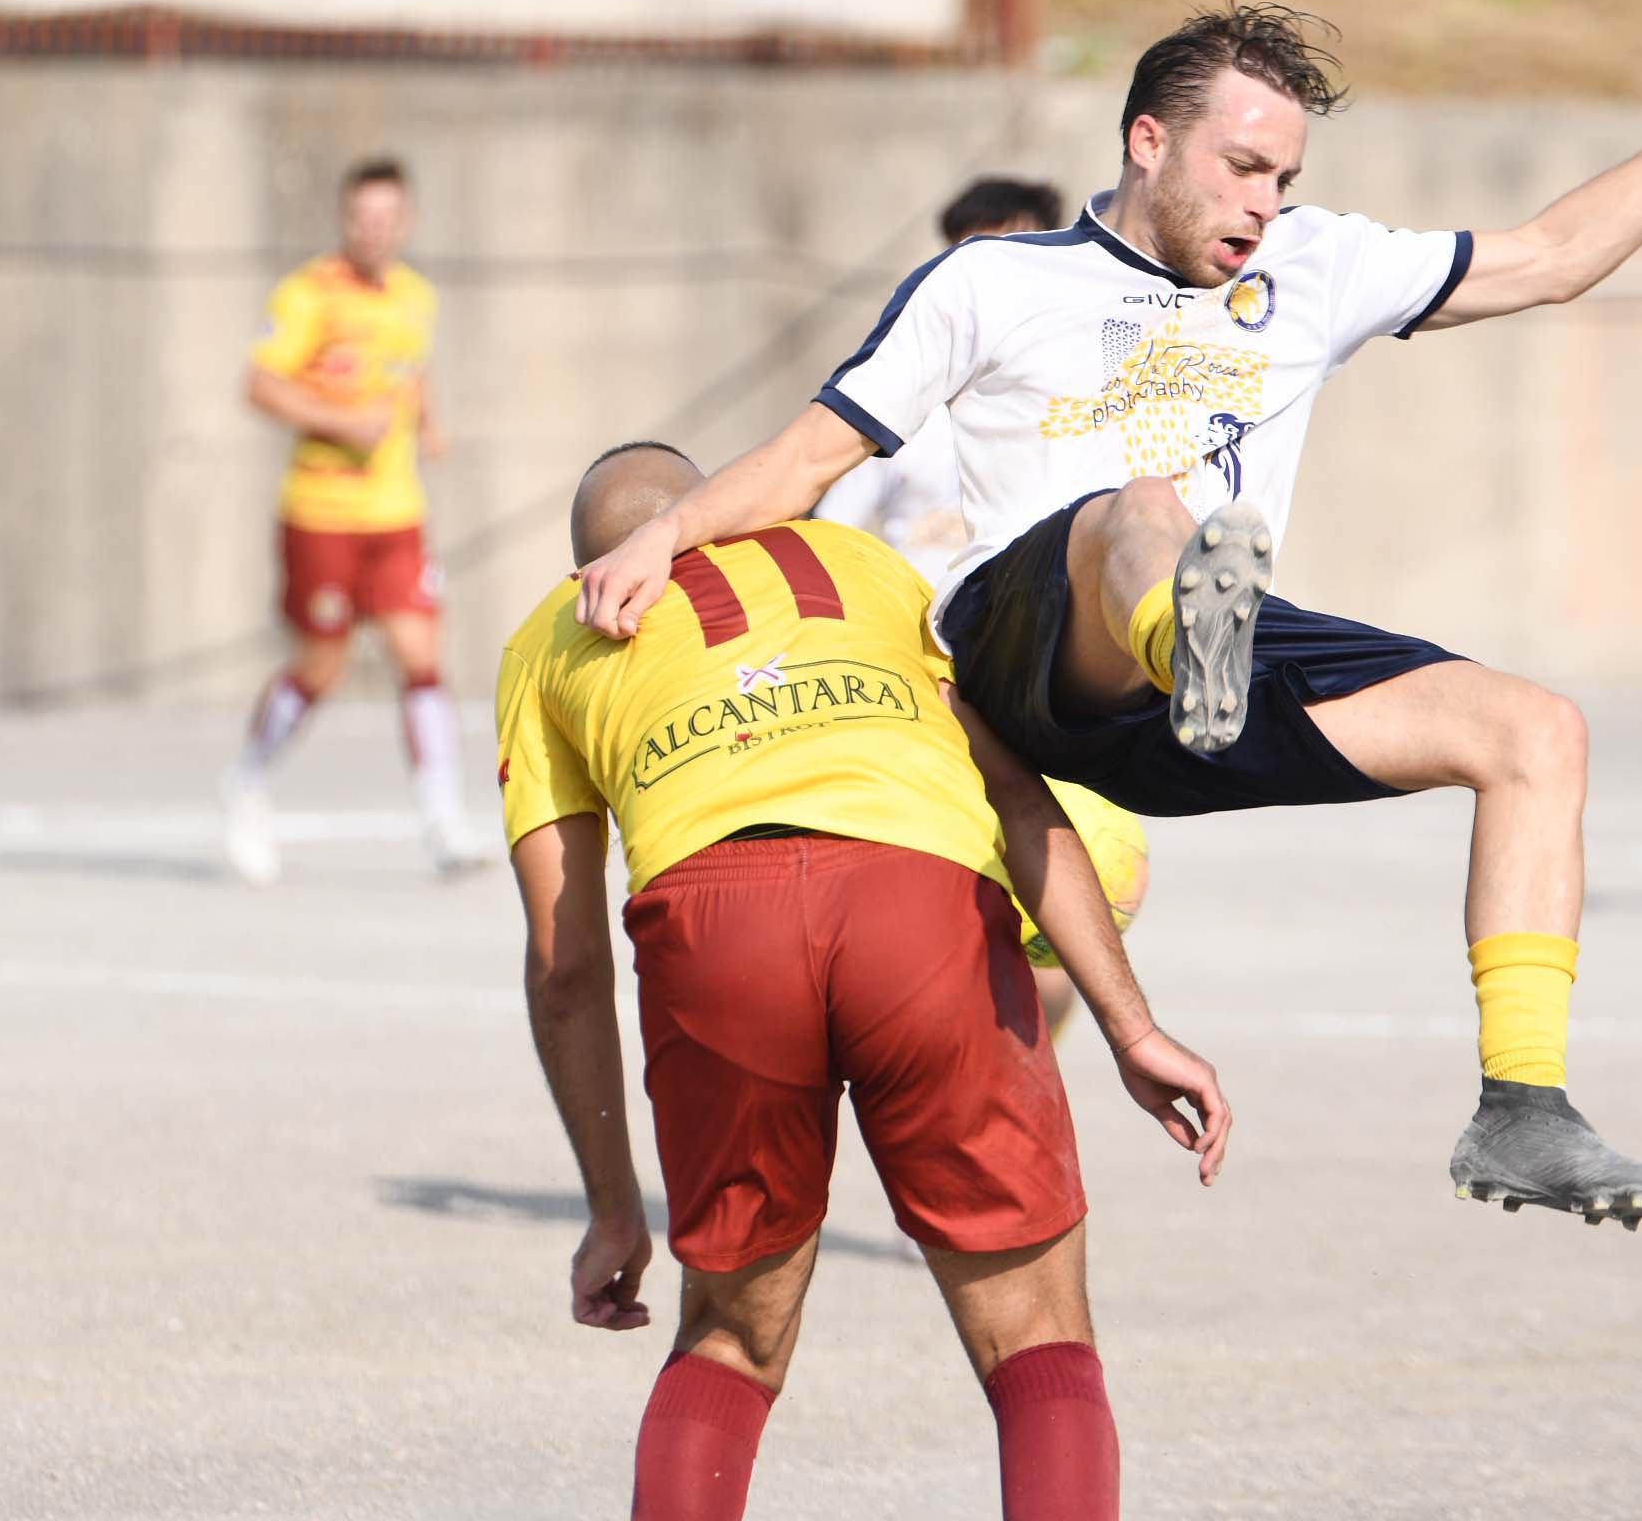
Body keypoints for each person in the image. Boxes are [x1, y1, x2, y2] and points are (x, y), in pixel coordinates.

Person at [579, 0, 1642, 1227]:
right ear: (1149, 141)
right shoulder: (994, 281)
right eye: (1244, 167)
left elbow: (1553, 254)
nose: (1266, 204)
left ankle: (1523, 1107)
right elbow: (806, 458)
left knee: (1536, 731)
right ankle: (1189, 641)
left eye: (1285, 179)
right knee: (1145, 510)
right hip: (1032, 652)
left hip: (1188, 692)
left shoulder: (1316, 266)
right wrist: (665, 533)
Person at [501, 441, 1230, 1521]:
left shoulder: (548, 636)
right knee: (1037, 1335)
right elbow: (1018, 798)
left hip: (718, 926)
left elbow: (565, 965)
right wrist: (1133, 1026)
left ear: (588, 566)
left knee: (730, 1340)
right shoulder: (863, 564)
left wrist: (613, 1208)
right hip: (916, 898)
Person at [816, 176, 1151, 1036]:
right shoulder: (897, 410)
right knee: (928, 913)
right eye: (967, 257)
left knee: (1063, 928)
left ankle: (1026, 1078)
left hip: (1042, 679)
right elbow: (831, 542)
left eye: (1008, 251)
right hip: (927, 692)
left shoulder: (1093, 407)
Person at [223, 156, 480, 882]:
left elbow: (410, 370)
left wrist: (429, 425)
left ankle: (443, 820)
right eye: (363, 217)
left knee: (420, 657)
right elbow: (260, 385)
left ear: (407, 221)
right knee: (321, 668)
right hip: (321, 513)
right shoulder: (308, 294)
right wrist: (341, 422)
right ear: (345, 220)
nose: (375, 231)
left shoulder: (416, 297)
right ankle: (248, 778)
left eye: (388, 217)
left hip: (396, 514)